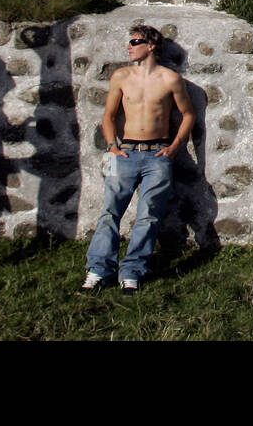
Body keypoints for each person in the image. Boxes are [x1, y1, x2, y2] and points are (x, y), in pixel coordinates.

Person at [81, 25, 195, 293]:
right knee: (110, 212)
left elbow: (187, 114)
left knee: (148, 216)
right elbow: (108, 115)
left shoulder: (170, 79)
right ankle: (98, 270)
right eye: (129, 42)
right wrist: (112, 146)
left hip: (158, 154)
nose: (129, 46)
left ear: (151, 45)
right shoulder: (121, 76)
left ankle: (131, 271)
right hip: (126, 152)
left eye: (135, 41)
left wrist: (174, 147)